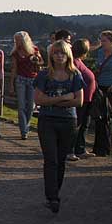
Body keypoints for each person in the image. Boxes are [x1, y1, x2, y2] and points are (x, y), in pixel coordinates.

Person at [33, 40, 84, 213]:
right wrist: (63, 99)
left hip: (67, 121)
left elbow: (79, 100)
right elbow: (38, 99)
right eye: (56, 53)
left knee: (61, 160)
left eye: (62, 53)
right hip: (47, 120)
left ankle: (55, 192)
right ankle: (52, 197)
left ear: (67, 54)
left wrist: (52, 101)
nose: (59, 56)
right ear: (51, 55)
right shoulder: (44, 75)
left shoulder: (75, 75)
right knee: (51, 159)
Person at [91, 31, 112, 156]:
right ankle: (98, 147)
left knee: (107, 117)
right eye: (101, 40)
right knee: (99, 117)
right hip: (100, 86)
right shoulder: (100, 53)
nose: (102, 43)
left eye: (104, 41)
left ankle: (105, 147)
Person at [68, 39, 97, 161]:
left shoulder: (78, 61)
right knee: (76, 125)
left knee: (84, 124)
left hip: (87, 98)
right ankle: (70, 151)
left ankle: (80, 149)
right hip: (81, 98)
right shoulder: (74, 62)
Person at [10, 31, 42, 139]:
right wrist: (11, 83)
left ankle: (26, 126)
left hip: (33, 79)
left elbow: (42, 62)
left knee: (30, 106)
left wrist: (37, 60)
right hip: (21, 79)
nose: (17, 42)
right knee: (21, 106)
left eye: (18, 40)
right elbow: (14, 69)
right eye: (16, 40)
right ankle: (24, 130)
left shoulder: (34, 50)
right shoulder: (15, 53)